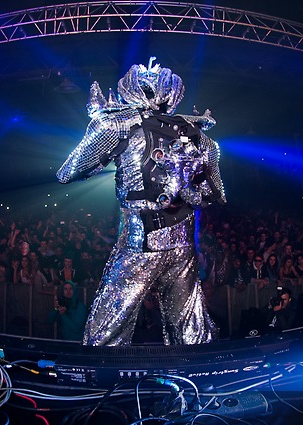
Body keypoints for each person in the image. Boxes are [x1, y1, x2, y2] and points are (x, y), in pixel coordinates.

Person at [57, 58, 226, 346]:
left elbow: (67, 172)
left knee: (107, 330)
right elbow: (216, 194)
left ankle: (102, 371)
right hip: (182, 245)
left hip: (140, 245)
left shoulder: (118, 125)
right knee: (190, 328)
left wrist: (100, 126)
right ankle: (198, 369)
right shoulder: (199, 136)